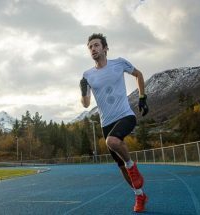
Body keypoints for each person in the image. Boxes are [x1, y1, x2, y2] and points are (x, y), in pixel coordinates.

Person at [79, 33, 149, 213]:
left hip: (125, 115)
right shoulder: (87, 75)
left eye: (96, 45)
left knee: (112, 141)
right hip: (106, 123)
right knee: (120, 167)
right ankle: (139, 195)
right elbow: (86, 104)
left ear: (105, 48)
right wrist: (82, 90)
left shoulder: (119, 63)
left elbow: (139, 74)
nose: (93, 49)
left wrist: (142, 97)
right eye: (90, 47)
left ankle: (132, 166)